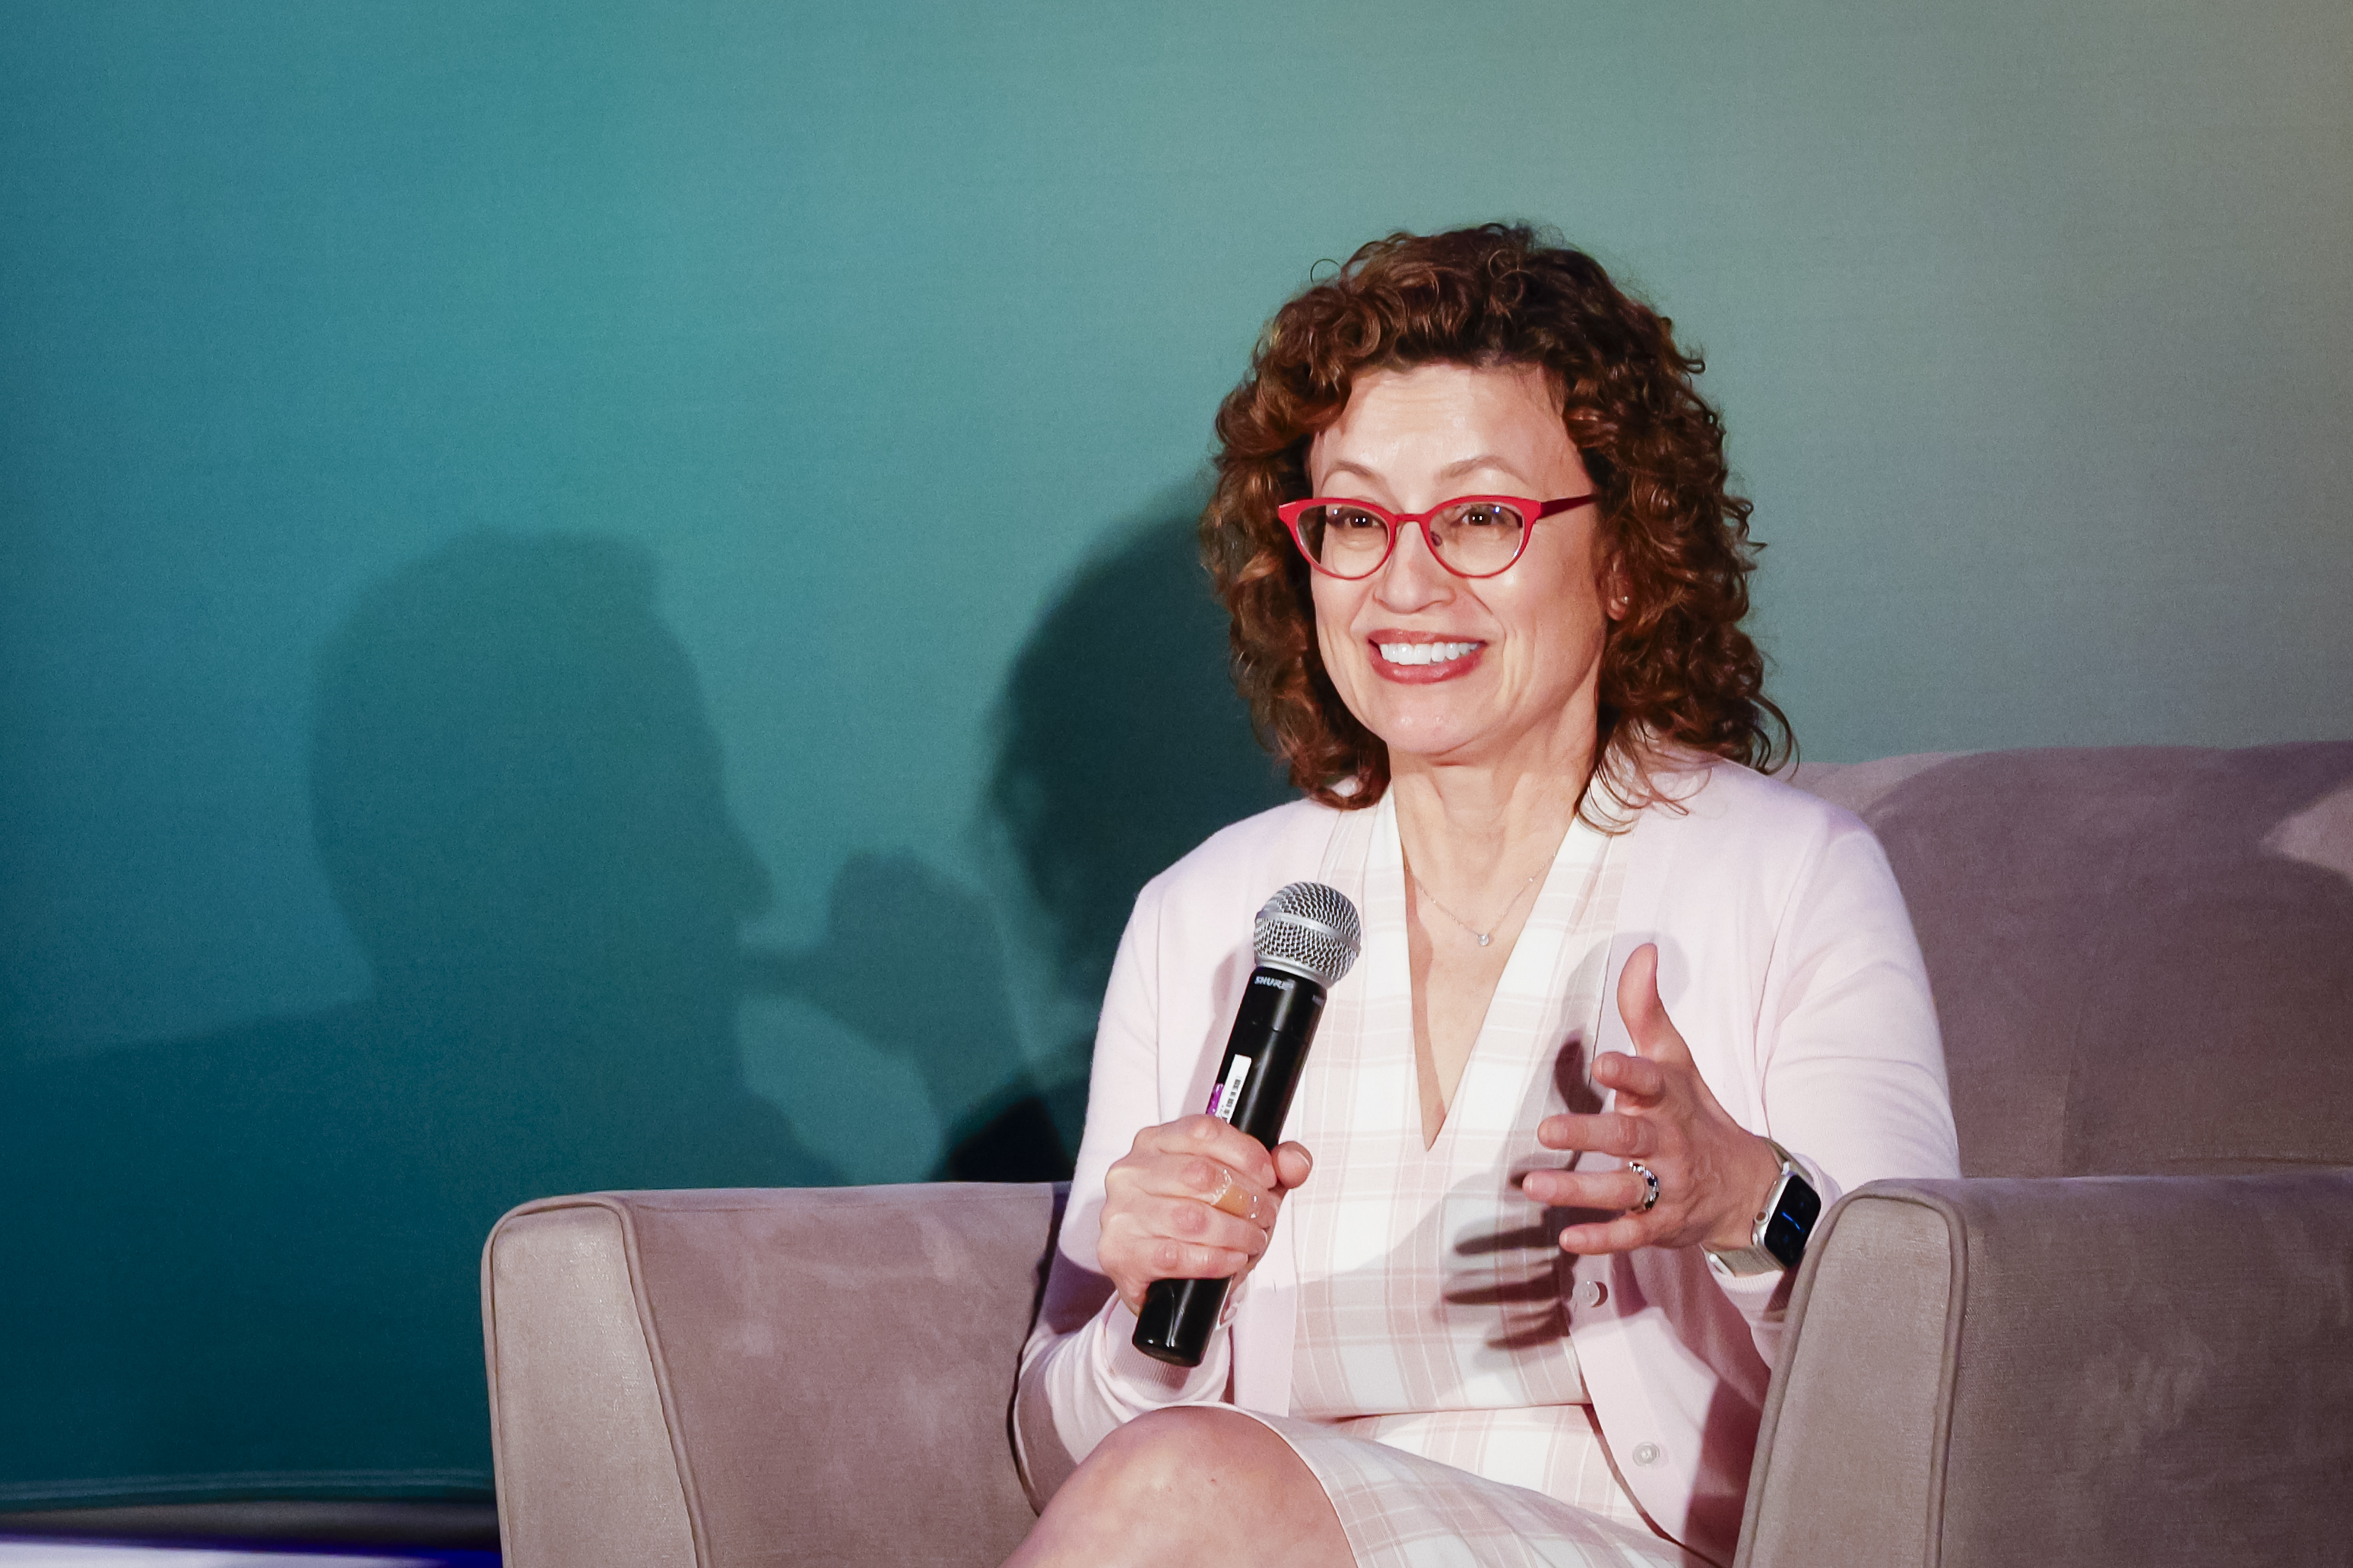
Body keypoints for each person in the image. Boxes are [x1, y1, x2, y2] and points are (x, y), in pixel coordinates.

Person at [1004, 225, 1959, 1568]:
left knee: (1177, 1490)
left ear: (1626, 557)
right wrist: (1145, 1317)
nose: (1405, 582)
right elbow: (1063, 1458)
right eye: (1355, 518)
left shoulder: (1791, 877)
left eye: (1479, 517)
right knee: (1173, 1485)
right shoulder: (1205, 916)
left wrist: (1753, 1205)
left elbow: (1932, 1362)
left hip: (1631, 1547)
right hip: (1238, 1526)